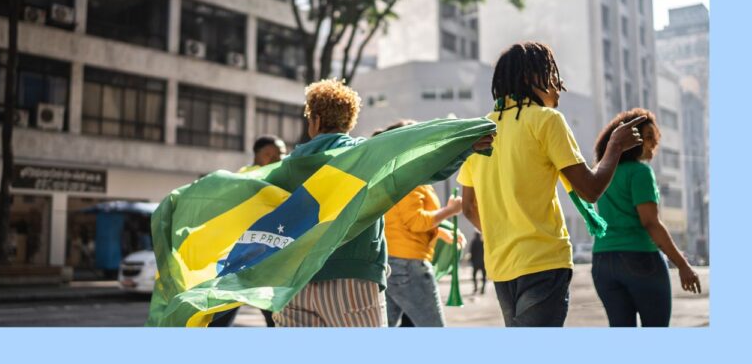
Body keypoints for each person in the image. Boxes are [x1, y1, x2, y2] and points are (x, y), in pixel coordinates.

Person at [274, 80, 491, 328]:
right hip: (353, 280)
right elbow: (418, 159)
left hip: (295, 283)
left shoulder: (288, 166)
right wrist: (464, 145)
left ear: (314, 120)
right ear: (351, 121)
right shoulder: (366, 156)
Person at [459, 41, 644, 327]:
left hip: (501, 267)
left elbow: (469, 207)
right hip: (543, 261)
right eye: (552, 74)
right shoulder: (547, 121)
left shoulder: (481, 131)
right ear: (529, 79)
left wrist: (505, 232)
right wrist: (615, 146)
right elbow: (590, 189)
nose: (560, 84)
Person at [590, 108, 702, 326]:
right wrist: (683, 265)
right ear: (629, 139)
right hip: (639, 258)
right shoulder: (640, 172)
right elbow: (650, 222)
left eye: (655, 138)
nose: (653, 144)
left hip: (603, 261)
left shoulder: (601, 171)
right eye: (647, 137)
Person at [376, 119, 464, 327]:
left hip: (393, 263)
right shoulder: (410, 176)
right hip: (409, 265)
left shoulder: (394, 174)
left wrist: (441, 231)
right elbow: (416, 221)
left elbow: (403, 220)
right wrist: (450, 211)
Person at [209, 135, 289, 327]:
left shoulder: (246, 176)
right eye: (271, 154)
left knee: (226, 313)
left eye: (282, 155)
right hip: (248, 257)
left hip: (256, 257)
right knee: (274, 317)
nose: (277, 159)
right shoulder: (251, 177)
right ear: (257, 154)